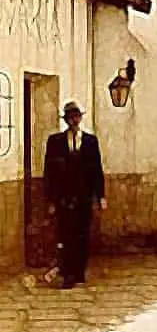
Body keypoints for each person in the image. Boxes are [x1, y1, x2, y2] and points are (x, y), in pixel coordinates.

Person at [43, 101, 107, 289]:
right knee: (65, 235)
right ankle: (67, 274)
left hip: (84, 198)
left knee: (82, 235)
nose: (74, 120)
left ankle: (79, 271)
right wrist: (51, 200)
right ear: (66, 120)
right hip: (64, 199)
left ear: (80, 118)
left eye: (76, 117)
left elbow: (97, 170)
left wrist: (100, 196)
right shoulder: (55, 142)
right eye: (70, 117)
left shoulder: (90, 141)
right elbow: (49, 173)